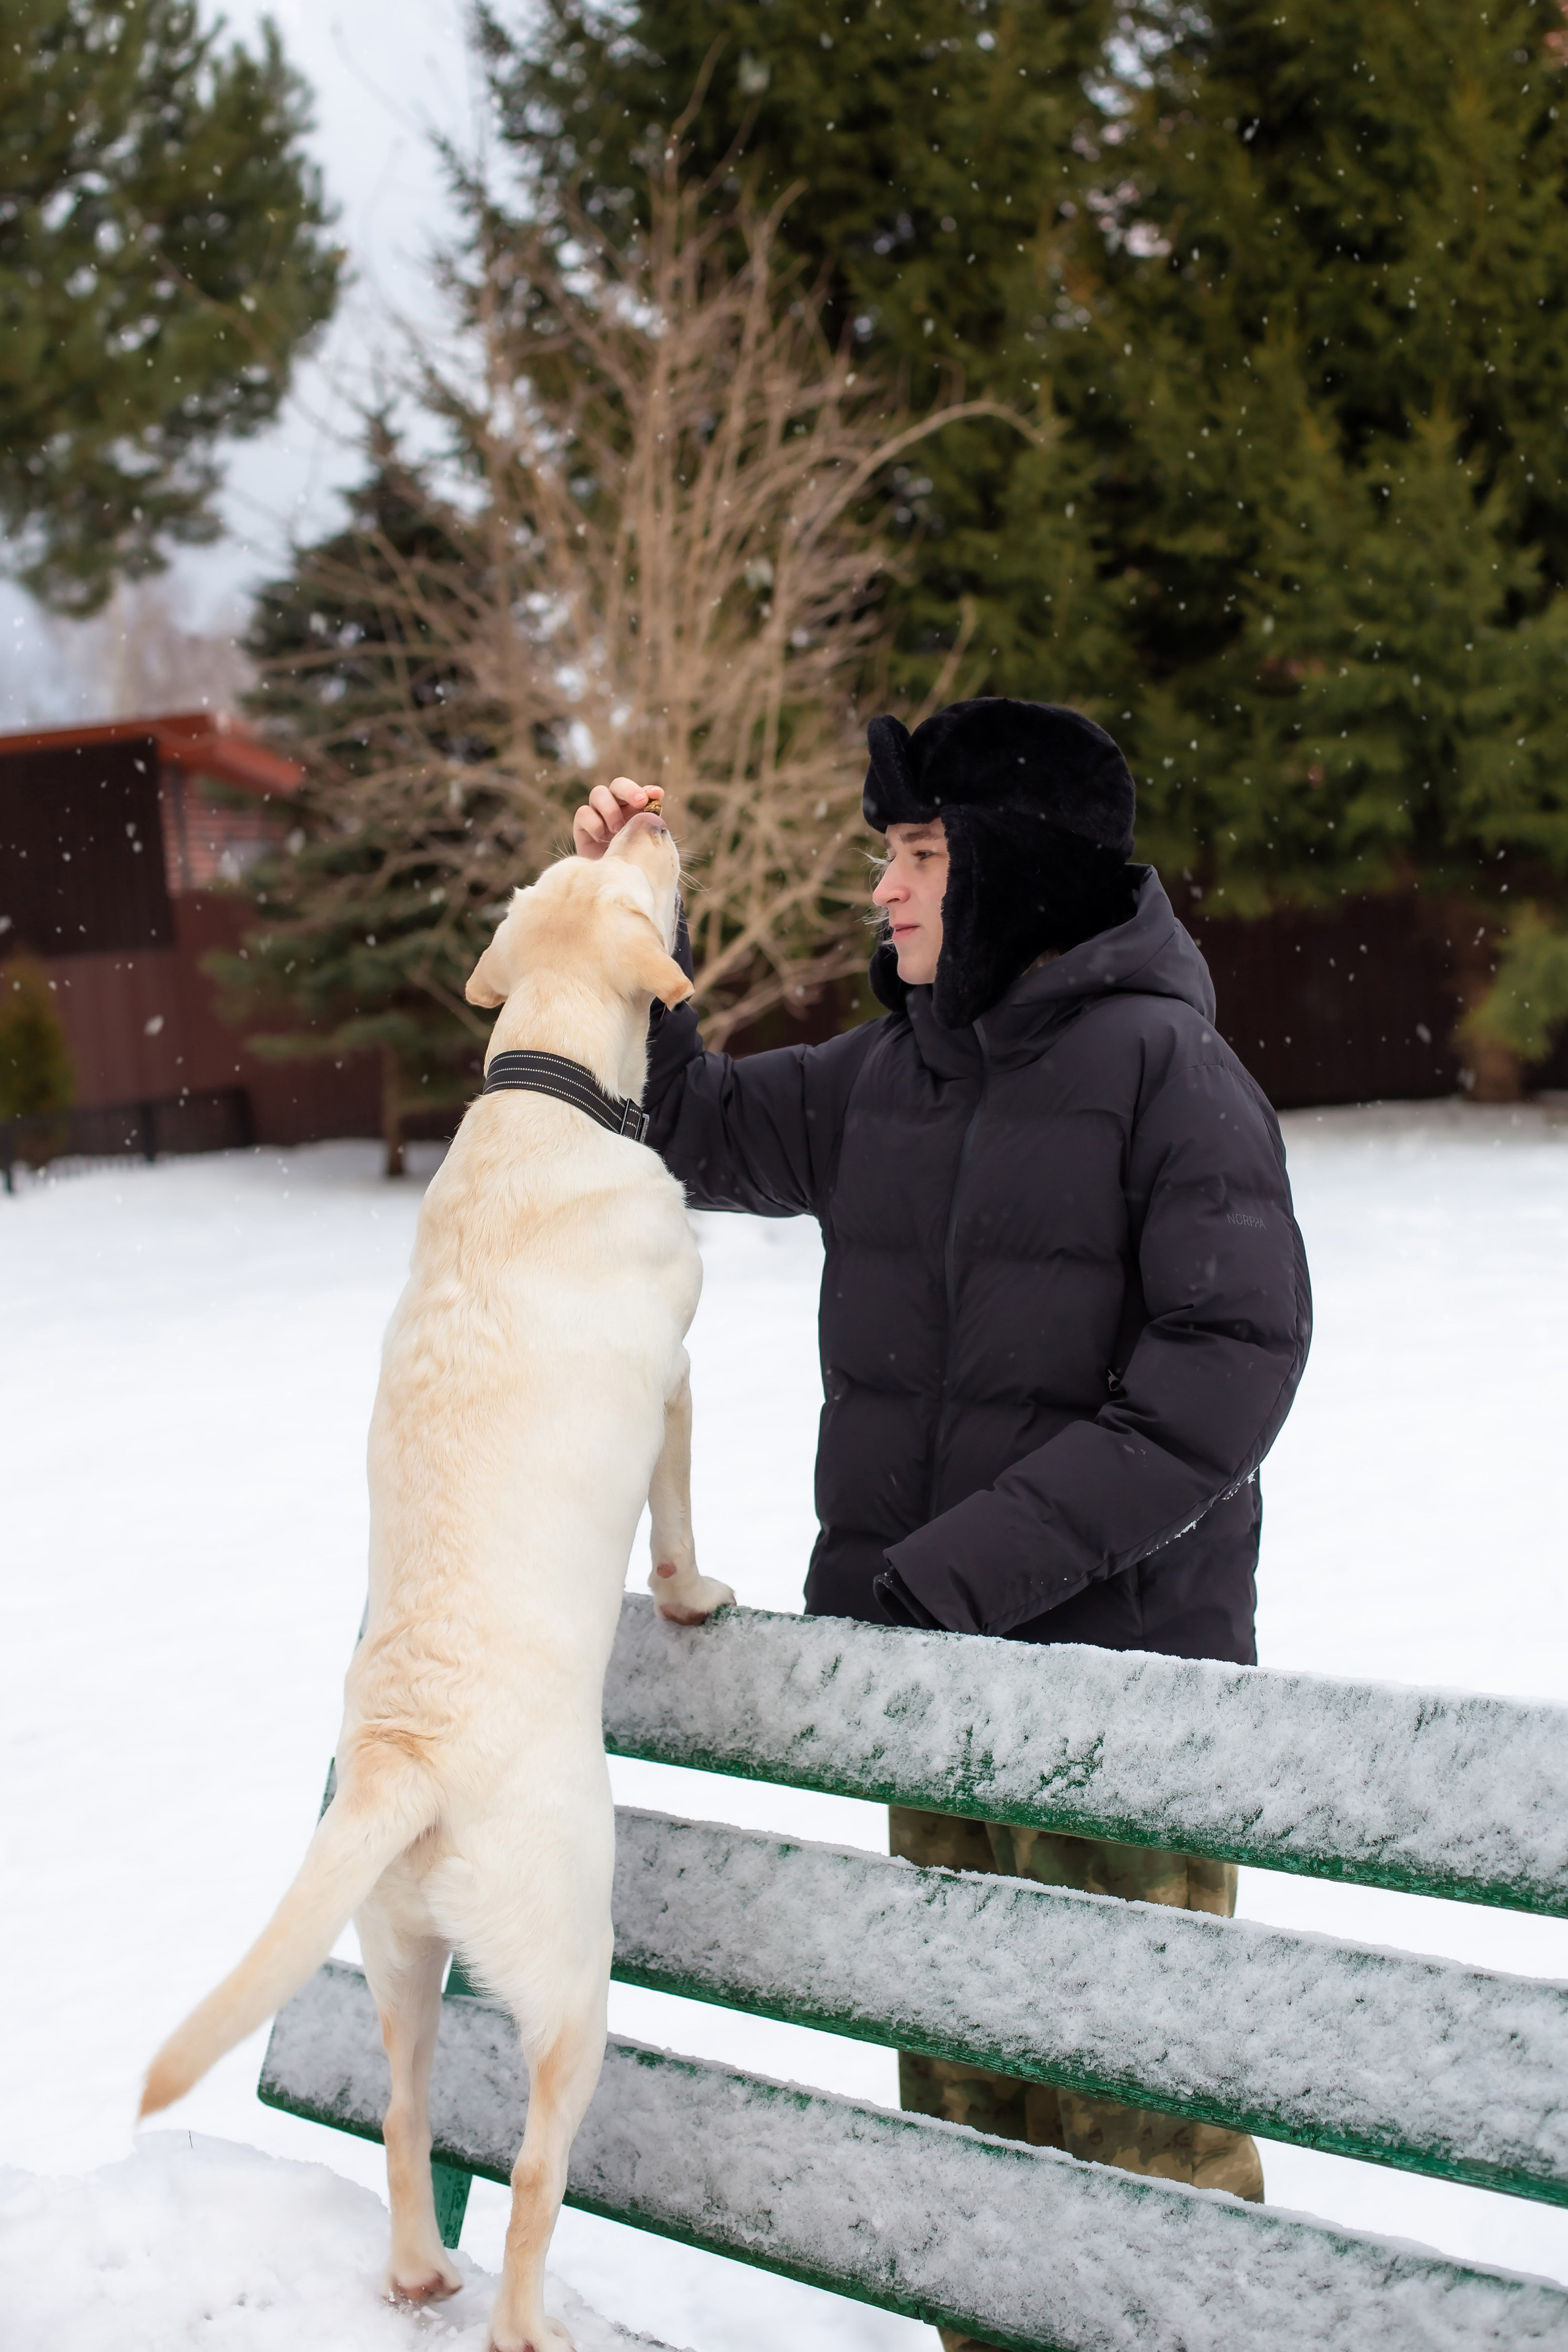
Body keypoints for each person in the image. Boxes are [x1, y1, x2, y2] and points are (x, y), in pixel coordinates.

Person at [574, 698, 1311, 2352]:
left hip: (1124, 1720)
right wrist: (638, 921)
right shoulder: (888, 1079)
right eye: (889, 856)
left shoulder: (1173, 1079)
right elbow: (677, 1122)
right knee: (970, 2153)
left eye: (921, 855)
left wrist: (954, 1579)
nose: (888, 893)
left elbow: (1223, 1381)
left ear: (1022, 874)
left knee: (1142, 2164)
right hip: (934, 1704)